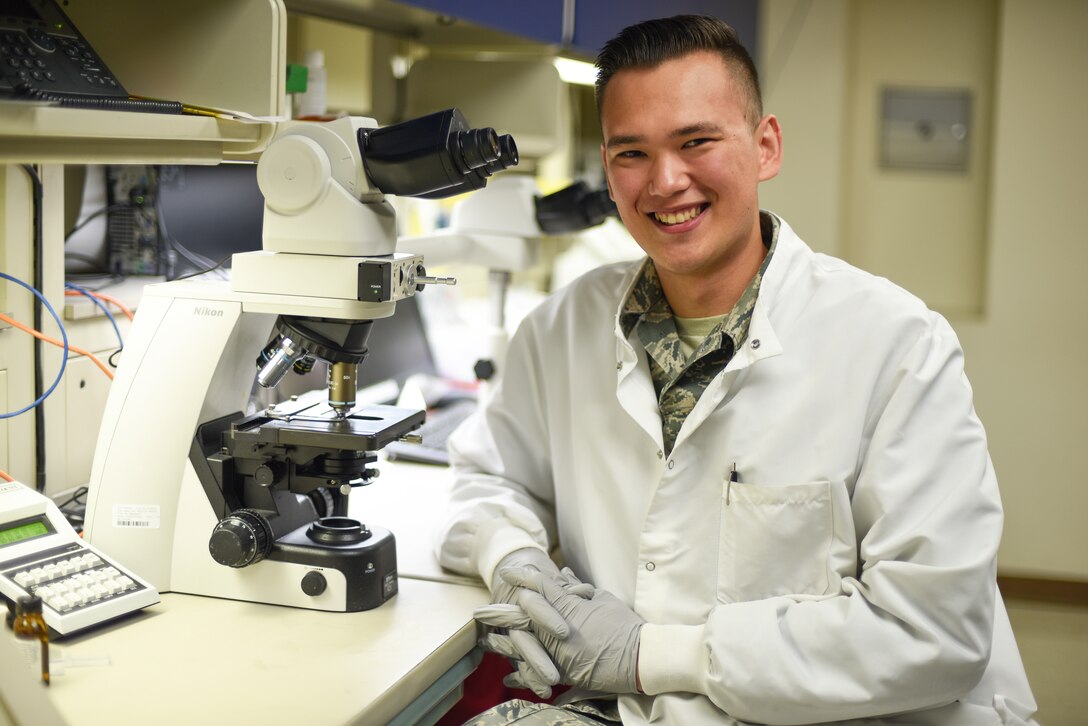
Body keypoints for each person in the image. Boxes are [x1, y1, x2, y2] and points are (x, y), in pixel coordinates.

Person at [437, 14, 1038, 726]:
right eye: (632, 153)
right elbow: (487, 476)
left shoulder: (897, 344)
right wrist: (514, 560)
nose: (665, 181)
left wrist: (648, 656)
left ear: (765, 146)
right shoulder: (562, 329)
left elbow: (935, 633)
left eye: (696, 142)